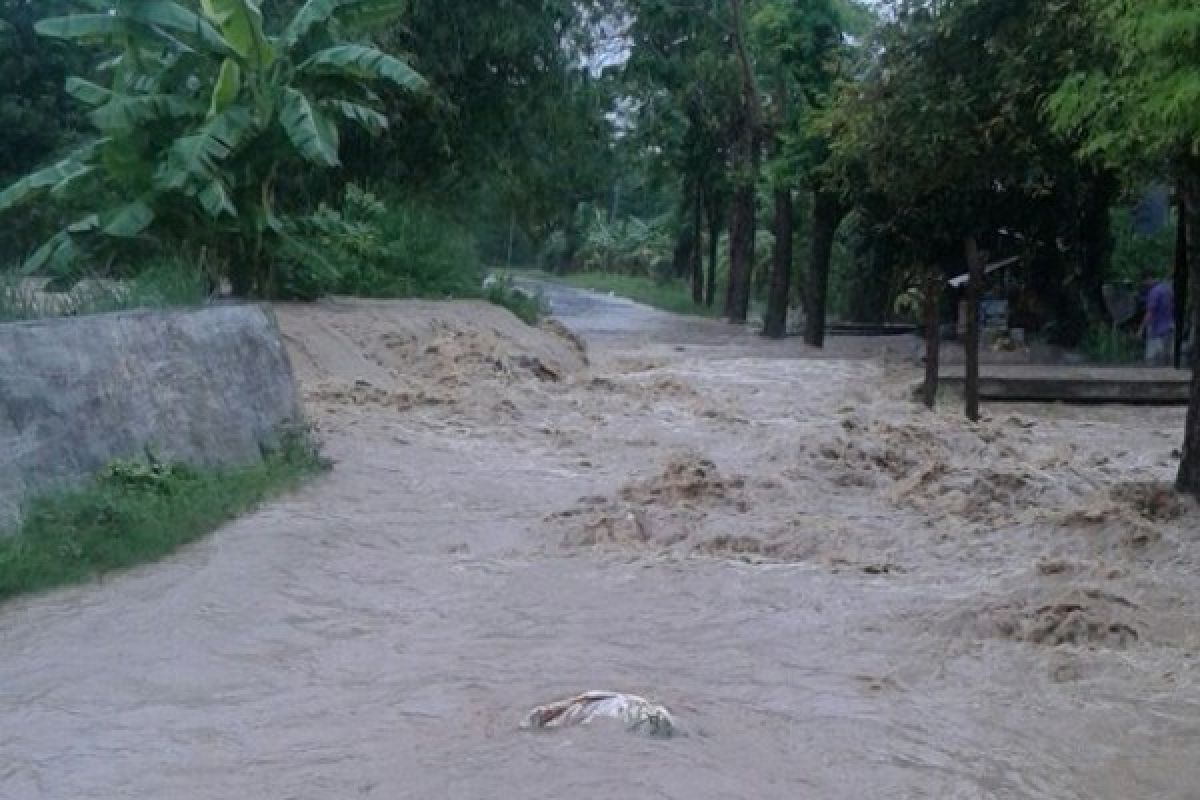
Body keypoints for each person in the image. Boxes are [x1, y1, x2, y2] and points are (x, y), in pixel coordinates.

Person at [1140, 275, 1175, 366]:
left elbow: (1150, 312)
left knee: (1152, 359)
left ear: (1149, 278)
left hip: (1157, 330)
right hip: (1169, 327)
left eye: (1144, 282)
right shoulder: (1168, 289)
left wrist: (1141, 329)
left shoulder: (1154, 292)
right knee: (1167, 357)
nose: (1144, 284)